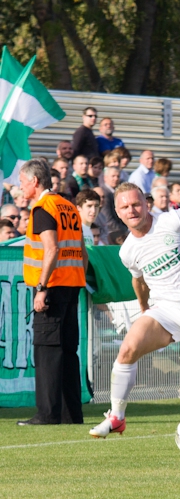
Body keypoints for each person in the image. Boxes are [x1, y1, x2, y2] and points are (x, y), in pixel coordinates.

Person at [88, 183, 180, 437]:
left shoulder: (174, 220)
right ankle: (116, 417)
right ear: (117, 212)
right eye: (125, 207)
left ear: (146, 203)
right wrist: (143, 308)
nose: (132, 210)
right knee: (127, 348)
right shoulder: (127, 251)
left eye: (136, 204)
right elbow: (138, 280)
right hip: (168, 309)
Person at [17, 160, 88, 426]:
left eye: (23, 182)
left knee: (47, 351)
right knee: (68, 352)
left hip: (53, 286)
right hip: (72, 284)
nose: (21, 186)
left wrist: (41, 288)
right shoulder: (68, 206)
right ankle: (72, 415)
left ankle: (47, 414)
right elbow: (81, 250)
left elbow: (51, 248)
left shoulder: (42, 208)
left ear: (35, 182)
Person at [99, 166, 125, 241]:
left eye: (118, 176)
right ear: (105, 178)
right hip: (112, 233)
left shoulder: (117, 192)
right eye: (113, 176)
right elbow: (108, 219)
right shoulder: (104, 193)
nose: (116, 179)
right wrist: (124, 229)